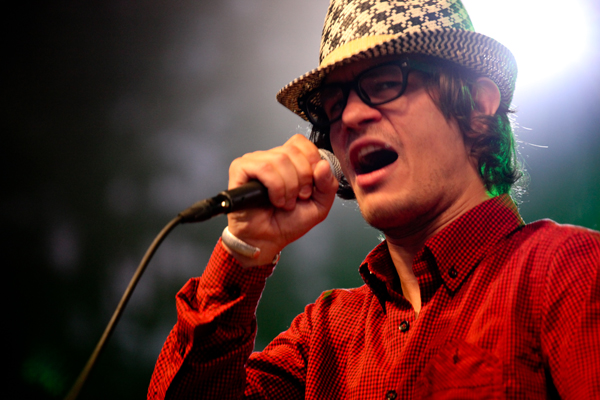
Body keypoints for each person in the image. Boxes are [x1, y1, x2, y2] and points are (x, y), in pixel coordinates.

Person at [148, 0, 600, 398]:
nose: (349, 115)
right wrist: (245, 251)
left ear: (478, 103)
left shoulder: (568, 272)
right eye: (333, 103)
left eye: (384, 83)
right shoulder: (324, 336)